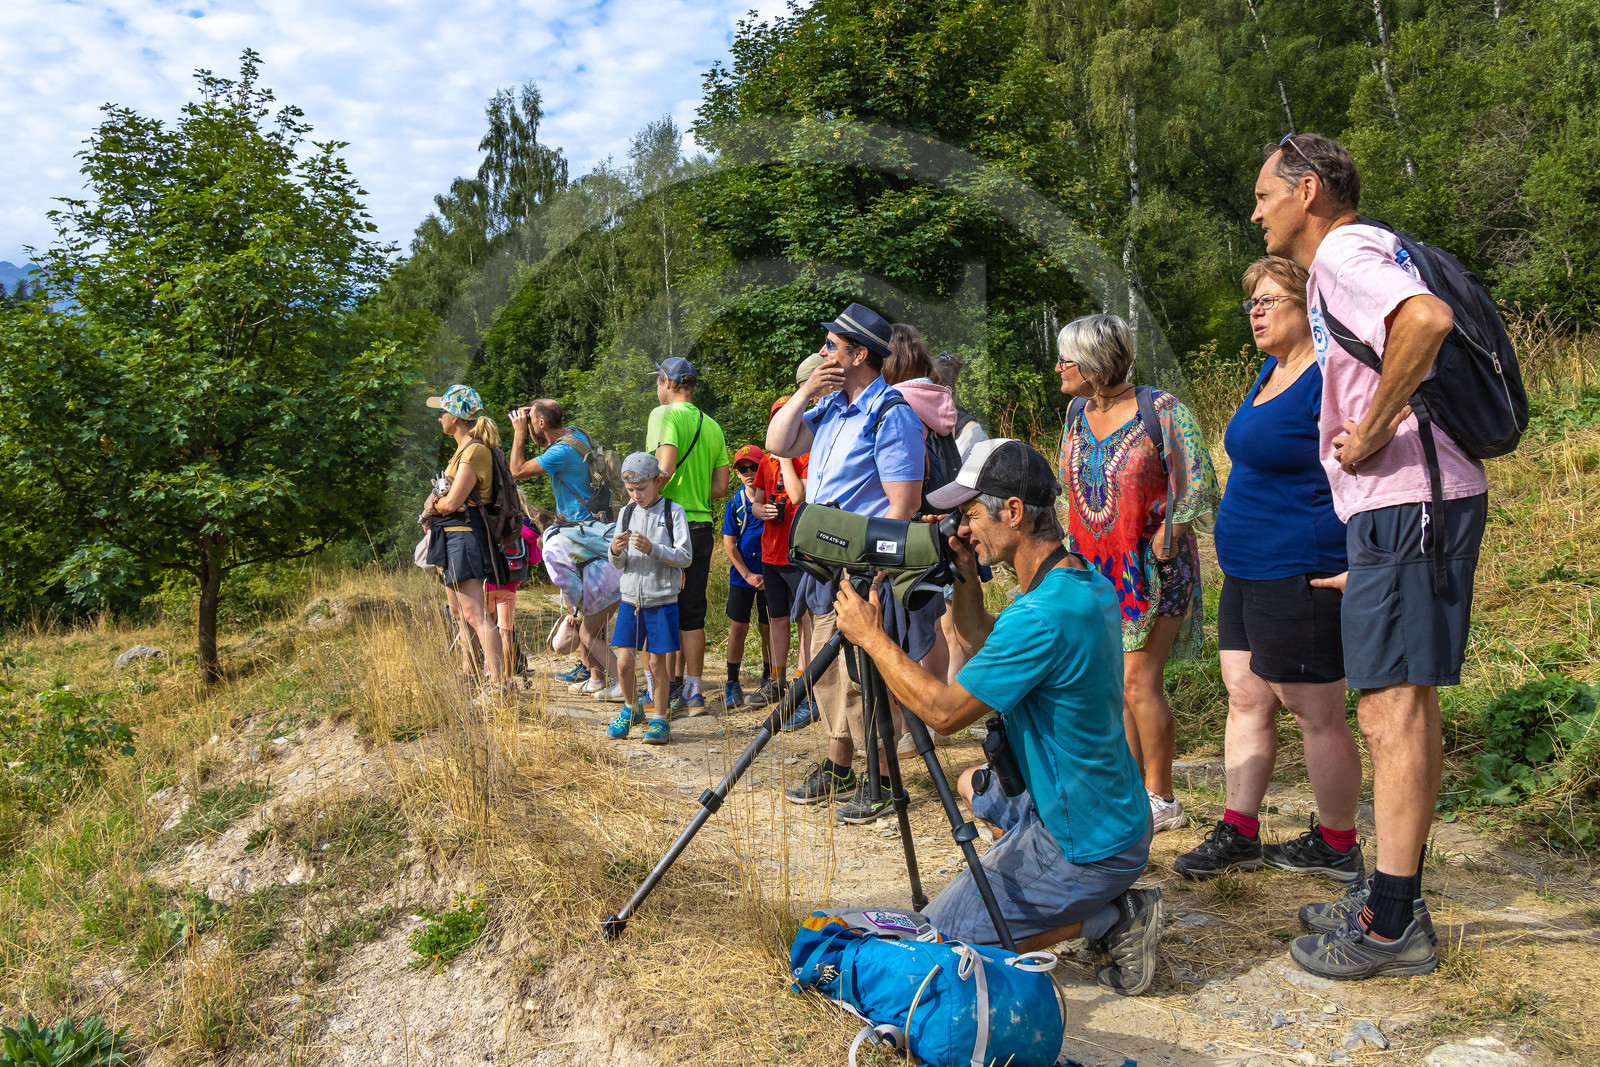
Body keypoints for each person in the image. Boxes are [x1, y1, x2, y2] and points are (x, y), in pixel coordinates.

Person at [1253, 133, 1483, 980]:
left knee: (1392, 711)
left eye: (1265, 195)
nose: (1257, 213)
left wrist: (1377, 426)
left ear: (1308, 191)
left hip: (1409, 499)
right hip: (1401, 506)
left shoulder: (1345, 252)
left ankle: (1391, 923)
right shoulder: (1355, 257)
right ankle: (1388, 895)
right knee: (1392, 705)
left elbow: (1427, 320)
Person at [833, 439, 1161, 995]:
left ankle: (1113, 917)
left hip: (1085, 844)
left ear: (1012, 512)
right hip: (1109, 812)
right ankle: (1044, 888)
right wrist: (964, 573)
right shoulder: (1080, 583)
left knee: (940, 944)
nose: (964, 528)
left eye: (971, 515)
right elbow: (986, 642)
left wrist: (872, 637)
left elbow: (943, 714)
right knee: (972, 783)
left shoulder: (1041, 616)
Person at [1173, 256, 1364, 884]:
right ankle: (1241, 830)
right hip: (1247, 567)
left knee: (1314, 709)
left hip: (1300, 565)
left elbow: (1366, 465)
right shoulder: (1271, 370)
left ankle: (1338, 843)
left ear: (1309, 307)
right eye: (1251, 302)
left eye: (1269, 300)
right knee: (1247, 697)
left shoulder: (1329, 375)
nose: (1255, 312)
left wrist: (1367, 555)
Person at [766, 302, 933, 825]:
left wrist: (876, 574)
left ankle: (880, 778)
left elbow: (903, 505)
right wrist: (805, 393)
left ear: (858, 355)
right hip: (823, 562)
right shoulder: (833, 408)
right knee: (826, 670)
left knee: (864, 676)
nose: (822, 353)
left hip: (861, 567)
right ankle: (839, 767)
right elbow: (777, 442)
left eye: (831, 346)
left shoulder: (891, 413)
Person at [1056, 314, 1219, 834]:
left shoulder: (1161, 410)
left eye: (1066, 359)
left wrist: (1171, 531)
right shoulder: (1075, 412)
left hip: (1152, 572)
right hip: (1094, 572)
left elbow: (1200, 482)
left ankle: (1162, 797)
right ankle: (1129, 791)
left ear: (1094, 363)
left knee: (1138, 682)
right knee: (1113, 684)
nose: (1058, 368)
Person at [509, 400, 623, 700]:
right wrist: (533, 415)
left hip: (581, 535)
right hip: (592, 529)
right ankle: (596, 677)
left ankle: (609, 679)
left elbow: (516, 470)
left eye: (532, 419)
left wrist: (519, 432)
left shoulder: (560, 451)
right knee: (587, 616)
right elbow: (545, 434)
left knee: (583, 612)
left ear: (541, 424)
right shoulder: (576, 434)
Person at [881, 323, 958, 748]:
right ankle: (936, 715)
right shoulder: (936, 398)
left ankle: (916, 725)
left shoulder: (897, 404)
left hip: (909, 525)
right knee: (934, 622)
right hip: (940, 521)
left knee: (907, 626)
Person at [646, 357, 729, 715]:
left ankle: (659, 692)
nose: (656, 388)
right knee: (692, 612)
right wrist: (693, 493)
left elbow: (664, 467)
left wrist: (639, 497)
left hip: (667, 524)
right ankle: (693, 693)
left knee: (658, 606)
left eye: (658, 381)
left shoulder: (662, 415)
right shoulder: (712, 425)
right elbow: (720, 487)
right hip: (700, 526)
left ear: (667, 382)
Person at [421, 385, 506, 687]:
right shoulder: (462, 451)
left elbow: (452, 502)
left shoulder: (474, 451)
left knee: (476, 614)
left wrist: (433, 507)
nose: (439, 418)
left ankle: (499, 685)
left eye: (442, 412)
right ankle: (469, 674)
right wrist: (435, 506)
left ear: (455, 417)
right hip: (451, 537)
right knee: (458, 613)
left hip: (464, 537)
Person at [605, 453, 692, 745]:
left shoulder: (673, 511)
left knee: (657, 665)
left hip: (662, 600)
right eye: (630, 490)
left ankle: (660, 719)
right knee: (623, 663)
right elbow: (619, 563)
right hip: (630, 600)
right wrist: (615, 551)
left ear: (658, 482)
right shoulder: (626, 513)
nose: (636, 495)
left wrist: (653, 548)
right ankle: (631, 709)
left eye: (641, 489)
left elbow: (685, 557)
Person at [752, 390, 815, 730]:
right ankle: (776, 680)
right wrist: (760, 510)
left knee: (804, 618)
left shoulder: (805, 455)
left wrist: (786, 456)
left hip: (798, 552)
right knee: (777, 617)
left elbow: (797, 495)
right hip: (771, 552)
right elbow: (757, 501)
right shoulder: (765, 462)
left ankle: (804, 685)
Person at [722, 445, 773, 709]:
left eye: (754, 467)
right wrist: (748, 574)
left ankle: (769, 678)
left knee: (768, 627)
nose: (749, 473)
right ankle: (732, 681)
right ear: (737, 474)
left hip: (770, 573)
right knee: (738, 627)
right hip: (742, 575)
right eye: (743, 469)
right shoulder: (735, 504)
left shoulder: (774, 497)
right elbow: (729, 544)